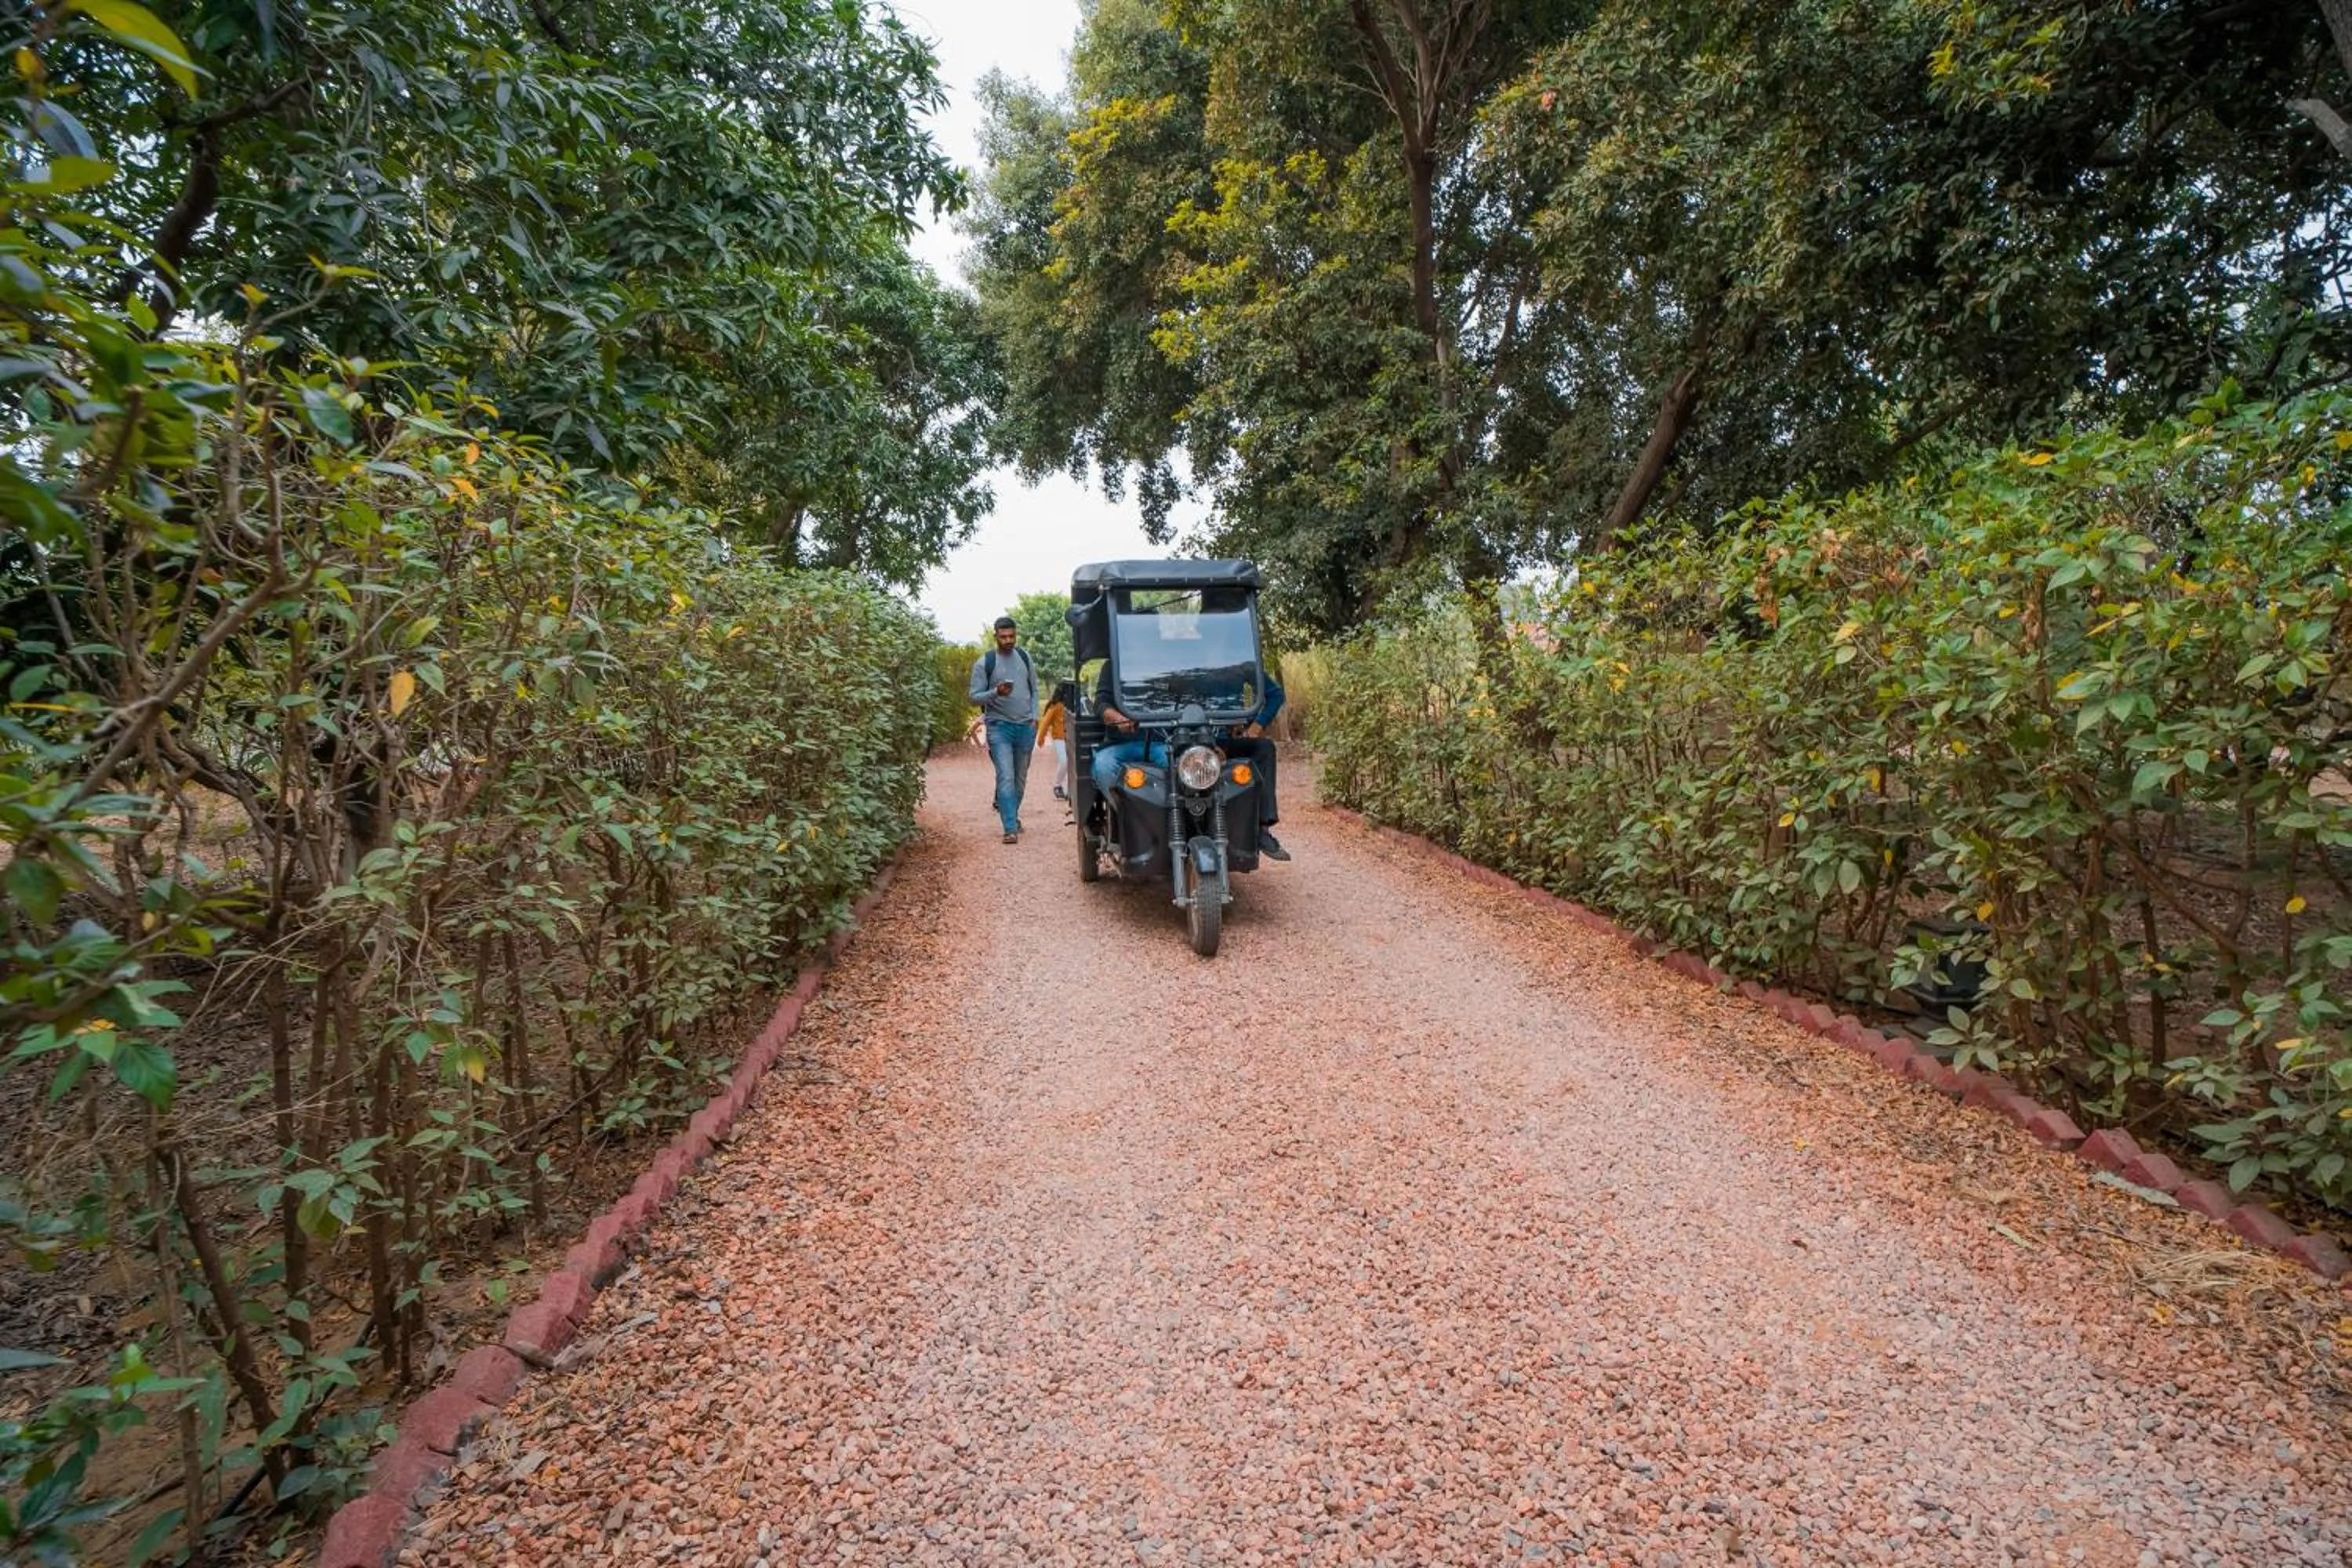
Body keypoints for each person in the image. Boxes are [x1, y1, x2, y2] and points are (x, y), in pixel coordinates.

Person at [1092, 667, 1290, 862]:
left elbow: (1186, 705)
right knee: (1103, 766)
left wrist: (1244, 730)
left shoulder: (1190, 661)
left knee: (1184, 773)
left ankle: (1211, 827)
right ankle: (1127, 822)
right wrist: (1119, 719)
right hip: (1121, 743)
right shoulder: (1117, 663)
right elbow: (1101, 703)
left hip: (1164, 741)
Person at [967, 615, 1037, 843]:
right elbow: (973, 698)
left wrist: (1035, 717)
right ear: (995, 636)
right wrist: (996, 692)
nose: (1008, 640)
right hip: (999, 727)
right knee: (1006, 777)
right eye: (1004, 637)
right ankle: (1010, 829)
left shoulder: (1025, 657)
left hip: (1025, 727)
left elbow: (1034, 690)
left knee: (1020, 779)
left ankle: (1012, 816)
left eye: (1012, 636)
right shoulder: (985, 663)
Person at [1037, 679, 1075, 804]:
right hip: (1059, 739)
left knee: (1072, 765)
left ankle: (1070, 790)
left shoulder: (1074, 706)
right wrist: (1041, 738)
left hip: (1071, 739)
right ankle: (1057, 785)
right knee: (1064, 762)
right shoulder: (1056, 706)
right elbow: (1045, 722)